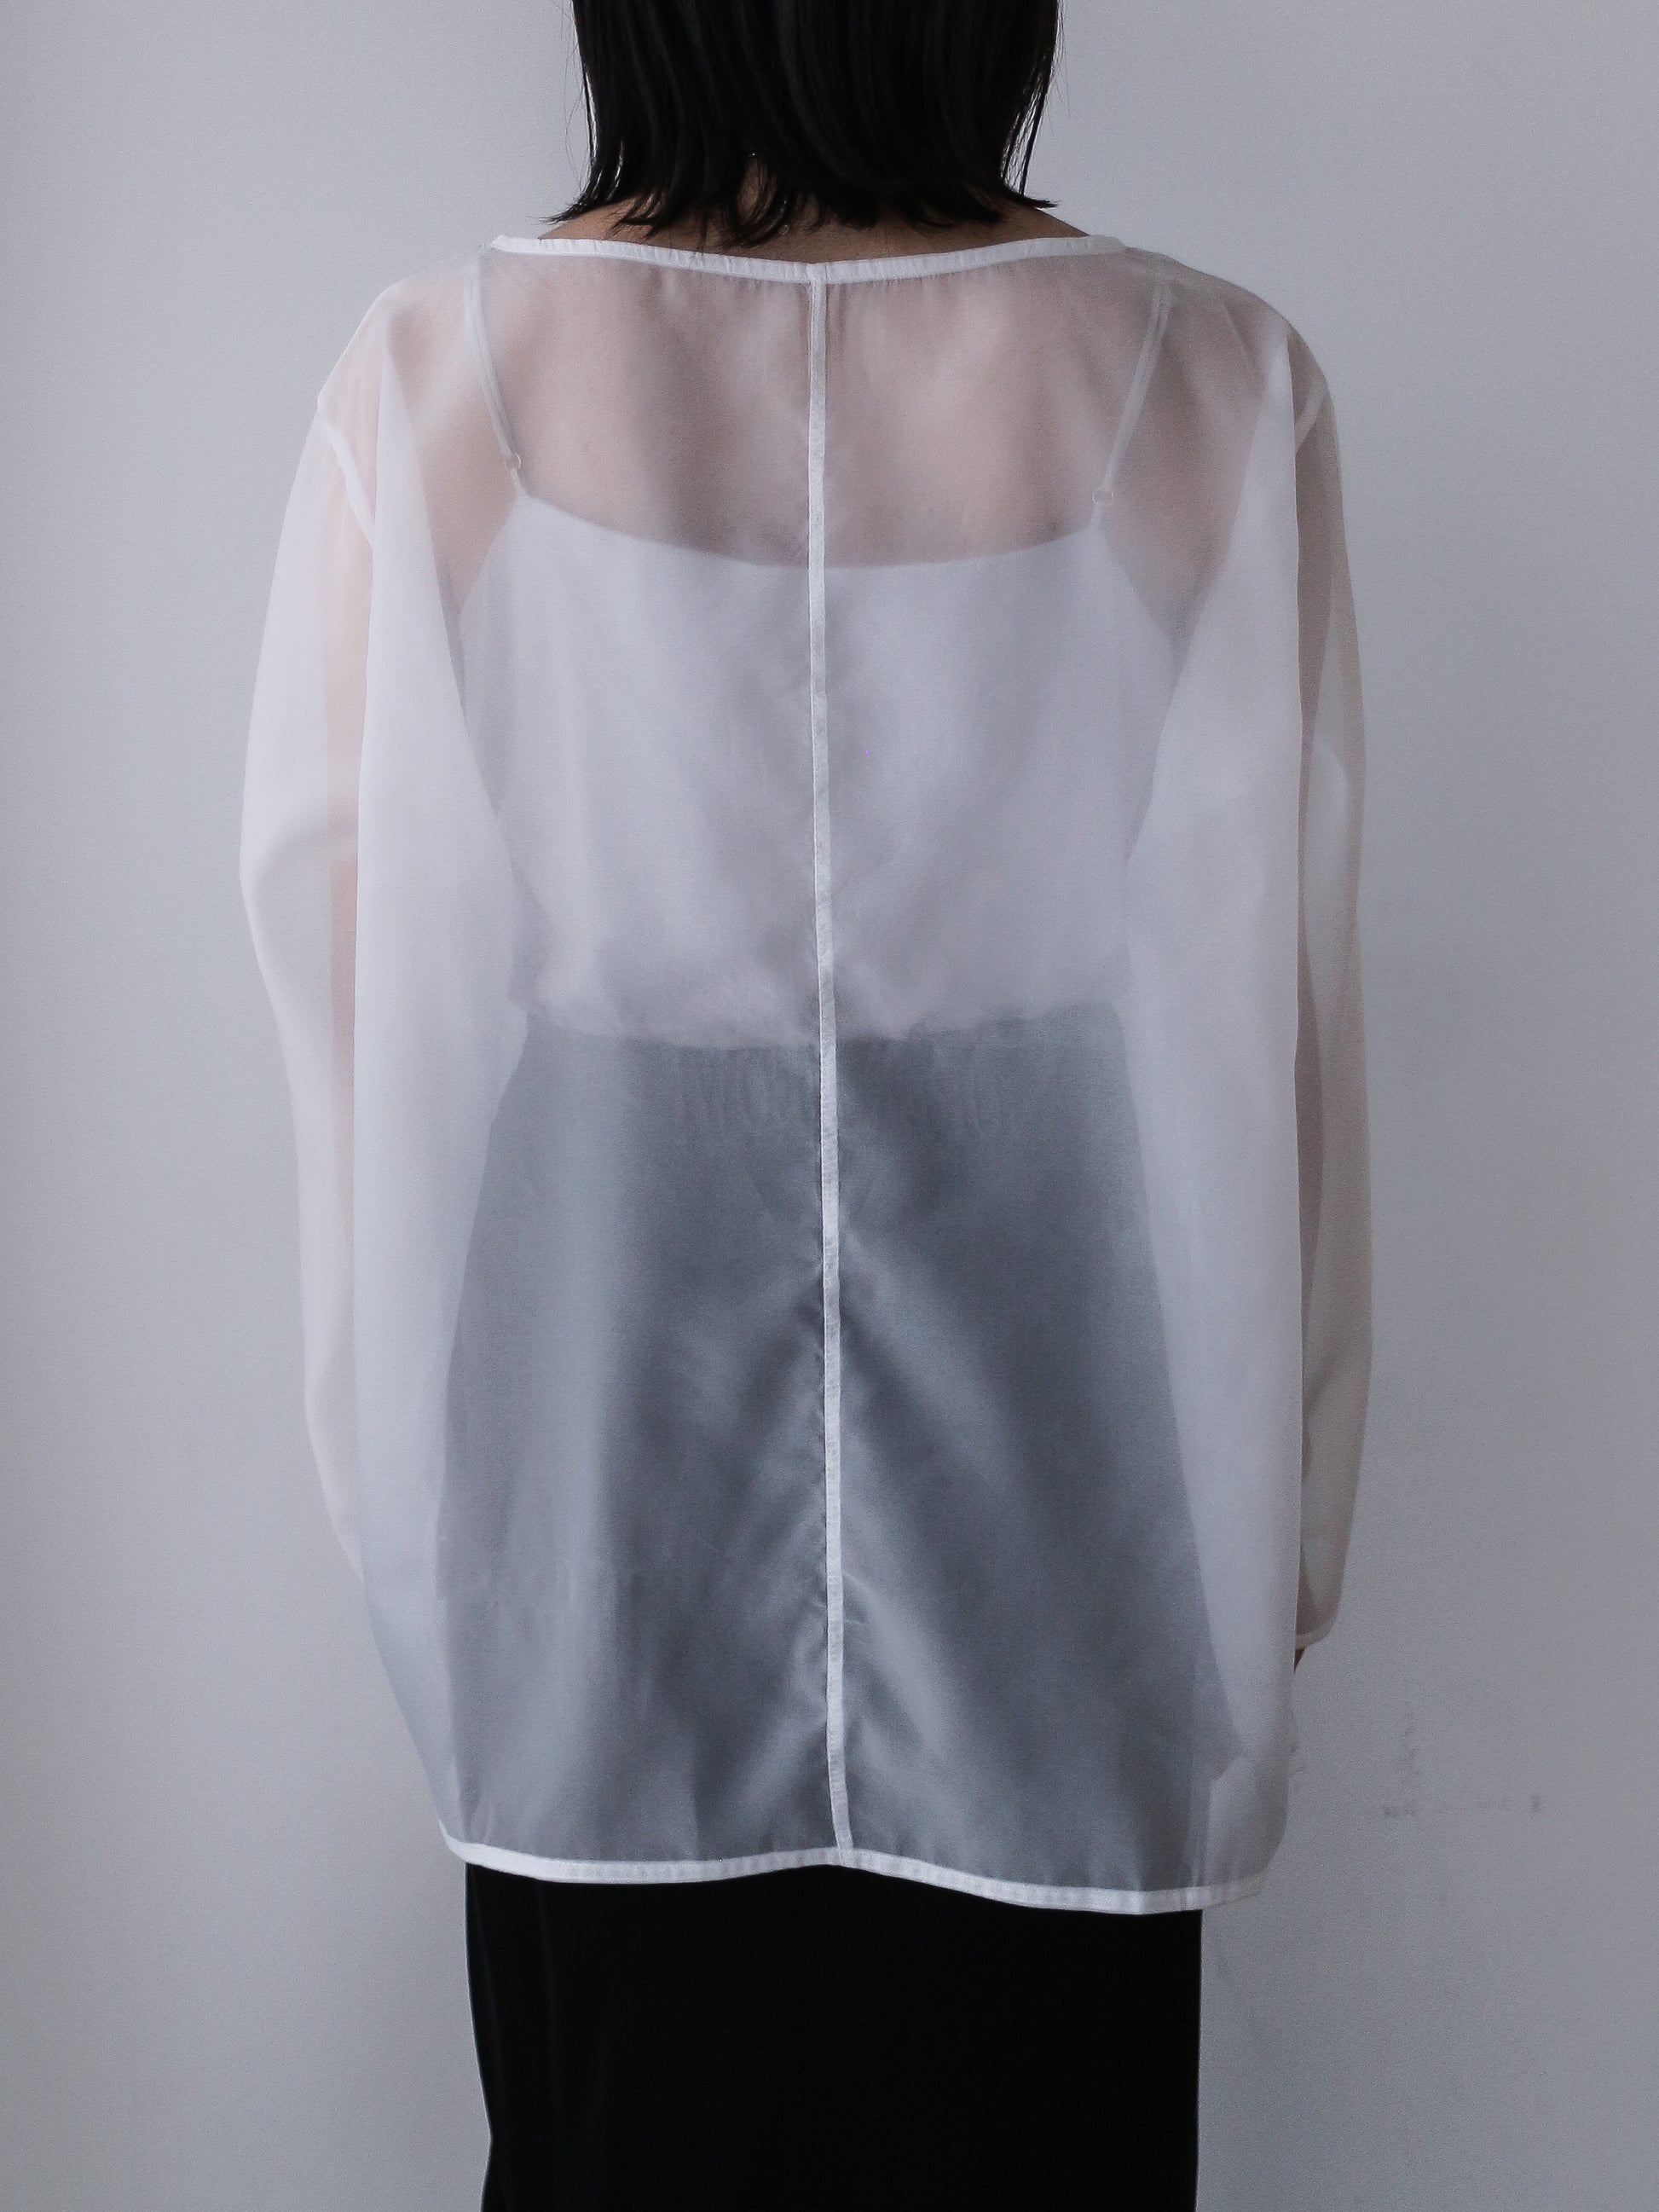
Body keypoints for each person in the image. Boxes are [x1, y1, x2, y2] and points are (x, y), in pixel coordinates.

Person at [239, 1, 1373, 2203]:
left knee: (628, 2116)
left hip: (596, 1364)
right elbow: (1275, 1026)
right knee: (1034, 2114)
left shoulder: (438, 375)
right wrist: (1280, 1525)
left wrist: (416, 1521)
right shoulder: (1206, 381)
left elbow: (354, 998)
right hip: (1056, 1352)